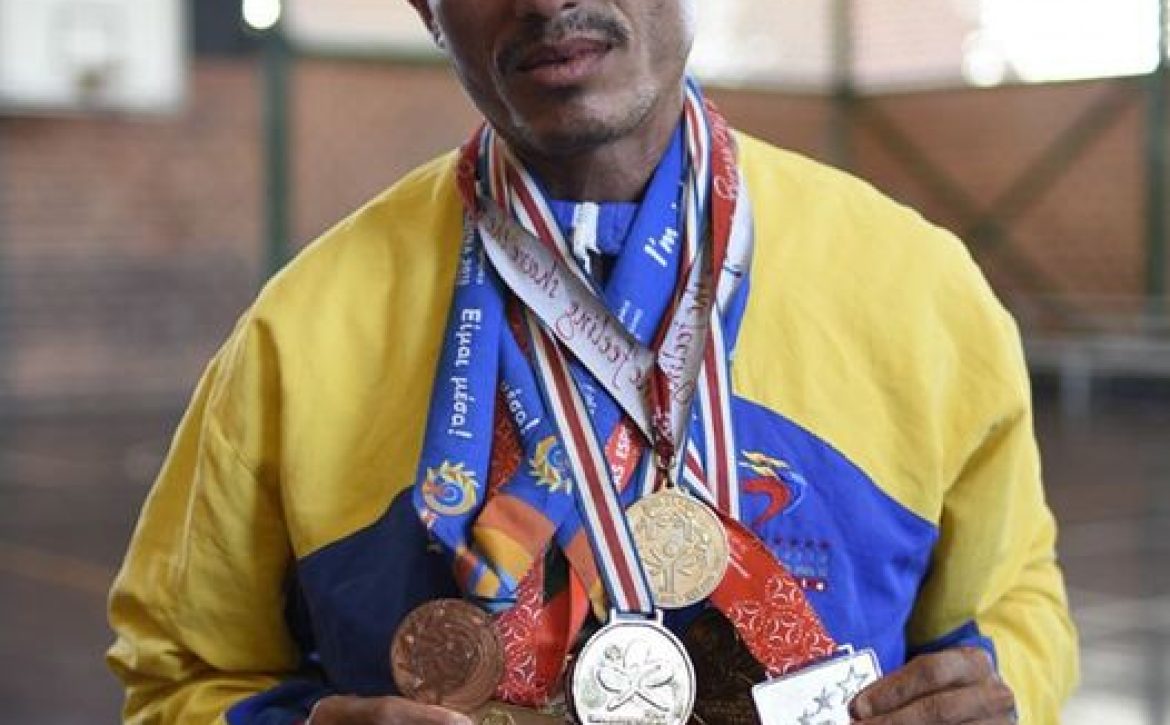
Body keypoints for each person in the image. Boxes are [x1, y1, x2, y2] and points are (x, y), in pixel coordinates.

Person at [107, 0, 1079, 723]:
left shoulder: (919, 287)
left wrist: (1002, 690)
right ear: (423, 7)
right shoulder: (298, 333)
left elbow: (1013, 602)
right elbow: (178, 671)